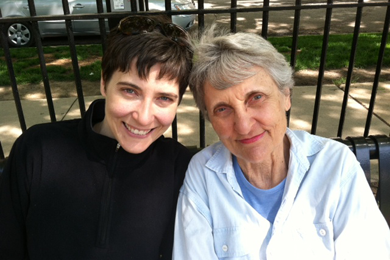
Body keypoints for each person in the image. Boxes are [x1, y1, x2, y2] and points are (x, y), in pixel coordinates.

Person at [173, 26, 390, 259]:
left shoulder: (335, 165)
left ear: (286, 95)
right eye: (223, 109)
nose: (244, 126)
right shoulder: (204, 175)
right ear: (210, 118)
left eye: (256, 98)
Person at [0, 15, 193, 259]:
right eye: (130, 91)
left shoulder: (181, 168)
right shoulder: (38, 150)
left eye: (164, 98)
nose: (144, 118)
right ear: (104, 82)